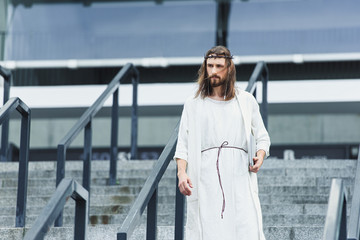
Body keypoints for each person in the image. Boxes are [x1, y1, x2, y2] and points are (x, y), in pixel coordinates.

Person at [174, 46, 270, 240]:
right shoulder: (193, 103)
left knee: (246, 226)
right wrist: (182, 173)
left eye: (219, 65)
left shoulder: (245, 100)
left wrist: (260, 156)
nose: (214, 71)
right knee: (209, 229)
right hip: (205, 176)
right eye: (210, 65)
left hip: (240, 174)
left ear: (229, 68)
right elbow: (182, 145)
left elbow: (262, 137)